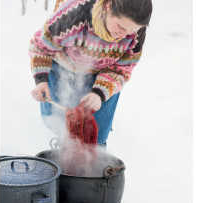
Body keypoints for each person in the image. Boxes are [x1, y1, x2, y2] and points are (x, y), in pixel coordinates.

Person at [29, 0, 152, 147]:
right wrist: (41, 80)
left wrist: (99, 93)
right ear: (108, 6)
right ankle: (65, 149)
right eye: (120, 26)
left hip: (104, 72)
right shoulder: (74, 13)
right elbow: (41, 47)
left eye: (131, 31)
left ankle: (94, 155)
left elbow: (122, 69)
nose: (124, 35)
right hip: (63, 64)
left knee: (96, 132)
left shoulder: (136, 31)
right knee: (63, 124)